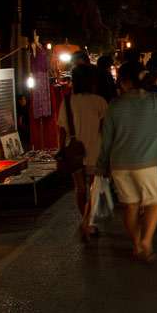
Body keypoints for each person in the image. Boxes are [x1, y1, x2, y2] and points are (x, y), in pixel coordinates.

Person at [96, 62, 157, 262]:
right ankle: (147, 241)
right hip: (146, 163)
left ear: (125, 83)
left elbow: (106, 139)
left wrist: (102, 166)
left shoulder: (115, 105)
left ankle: (136, 243)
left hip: (119, 165)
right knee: (153, 203)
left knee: (131, 206)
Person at [57, 65, 108, 240]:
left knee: (80, 189)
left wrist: (61, 149)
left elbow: (62, 129)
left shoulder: (67, 101)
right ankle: (88, 221)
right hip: (95, 149)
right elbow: (105, 129)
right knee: (94, 189)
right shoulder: (100, 101)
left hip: (74, 151)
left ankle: (85, 220)